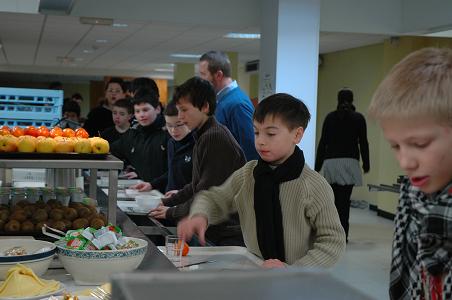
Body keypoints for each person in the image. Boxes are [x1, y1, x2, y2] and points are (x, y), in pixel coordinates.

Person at [178, 93, 345, 268]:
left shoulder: (313, 186)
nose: (260, 141)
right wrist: (200, 215)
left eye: (271, 134)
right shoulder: (248, 174)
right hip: (256, 268)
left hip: (298, 281)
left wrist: (295, 270)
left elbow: (332, 240)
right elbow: (215, 198)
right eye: (256, 132)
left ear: (297, 135)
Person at [368, 47, 452, 300]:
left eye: (420, 144)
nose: (405, 162)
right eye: (395, 146)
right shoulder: (414, 193)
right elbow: (405, 278)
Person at [154, 76, 246, 246]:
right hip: (215, 229)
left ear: (205, 107)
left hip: (226, 234)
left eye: (185, 110)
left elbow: (206, 192)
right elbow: (196, 184)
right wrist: (167, 202)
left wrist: (171, 211)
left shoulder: (214, 137)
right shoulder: (204, 134)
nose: (180, 117)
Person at [314, 88, 370, 242]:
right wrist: (366, 163)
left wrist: (317, 165)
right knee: (344, 202)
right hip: (349, 163)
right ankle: (343, 235)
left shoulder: (330, 117)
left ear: (338, 99)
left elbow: (323, 142)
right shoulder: (358, 118)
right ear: (352, 100)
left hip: (331, 163)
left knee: (332, 201)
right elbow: (363, 142)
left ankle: (330, 233)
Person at [199, 51, 258, 161]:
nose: (201, 80)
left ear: (219, 75)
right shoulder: (221, 101)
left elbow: (250, 151)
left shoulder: (238, 104)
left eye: (203, 74)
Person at [131, 99, 194, 197]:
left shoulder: (198, 144)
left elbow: (204, 182)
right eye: (169, 125)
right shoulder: (171, 143)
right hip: (171, 199)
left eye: (178, 125)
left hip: (191, 201)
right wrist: (152, 184)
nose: (173, 130)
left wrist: (182, 193)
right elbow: (172, 172)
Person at [111, 88, 169, 183]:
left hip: (164, 191)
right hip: (142, 189)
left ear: (157, 109)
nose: (141, 115)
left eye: (145, 110)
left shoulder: (169, 132)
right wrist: (136, 171)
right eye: (137, 111)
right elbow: (115, 150)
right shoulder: (133, 133)